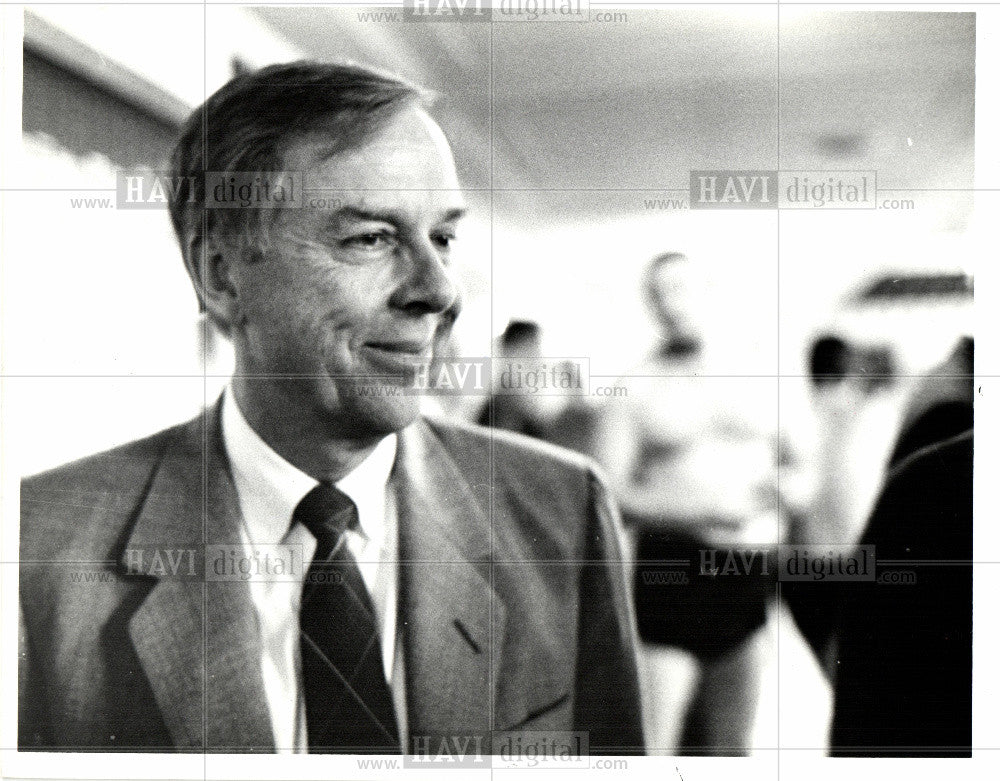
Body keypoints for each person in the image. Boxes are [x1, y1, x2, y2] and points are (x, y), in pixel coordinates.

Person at [18, 62, 643, 755]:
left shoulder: (559, 512)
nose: (438, 290)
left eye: (443, 237)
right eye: (371, 238)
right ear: (222, 275)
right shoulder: (37, 551)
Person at [592, 252, 786, 755]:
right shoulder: (634, 385)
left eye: (680, 288)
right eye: (658, 294)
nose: (671, 304)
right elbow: (605, 489)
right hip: (673, 570)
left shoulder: (759, 372)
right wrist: (697, 510)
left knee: (732, 746)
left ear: (709, 289)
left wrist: (784, 490)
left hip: (746, 568)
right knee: (657, 743)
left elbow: (801, 463)